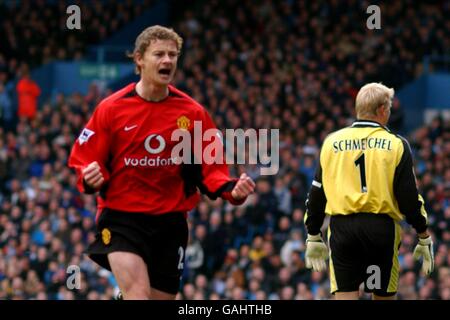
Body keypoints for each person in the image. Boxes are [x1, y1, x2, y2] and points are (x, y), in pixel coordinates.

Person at [68, 25, 255, 300]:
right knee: (138, 295)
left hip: (170, 223)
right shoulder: (111, 108)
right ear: (139, 59)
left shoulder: (193, 113)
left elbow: (211, 168)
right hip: (122, 218)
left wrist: (231, 189)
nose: (167, 60)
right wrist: (86, 174)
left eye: (172, 54)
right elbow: (83, 157)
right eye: (159, 54)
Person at [303, 83, 434, 300]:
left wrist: (313, 233)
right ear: (382, 109)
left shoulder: (331, 142)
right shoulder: (396, 145)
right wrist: (423, 234)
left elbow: (317, 192)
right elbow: (409, 198)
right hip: (380, 230)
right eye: (389, 108)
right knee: (380, 294)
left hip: (342, 229)